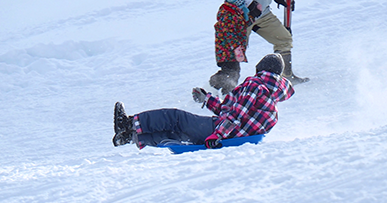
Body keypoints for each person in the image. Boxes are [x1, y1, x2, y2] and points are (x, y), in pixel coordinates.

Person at [112, 54, 294, 149]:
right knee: (177, 134)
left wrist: (219, 134)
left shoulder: (256, 85)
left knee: (176, 119)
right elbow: (229, 109)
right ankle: (130, 137)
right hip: (228, 135)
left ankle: (128, 123)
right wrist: (206, 99)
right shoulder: (272, 107)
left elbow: (236, 115)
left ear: (262, 68)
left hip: (221, 132)